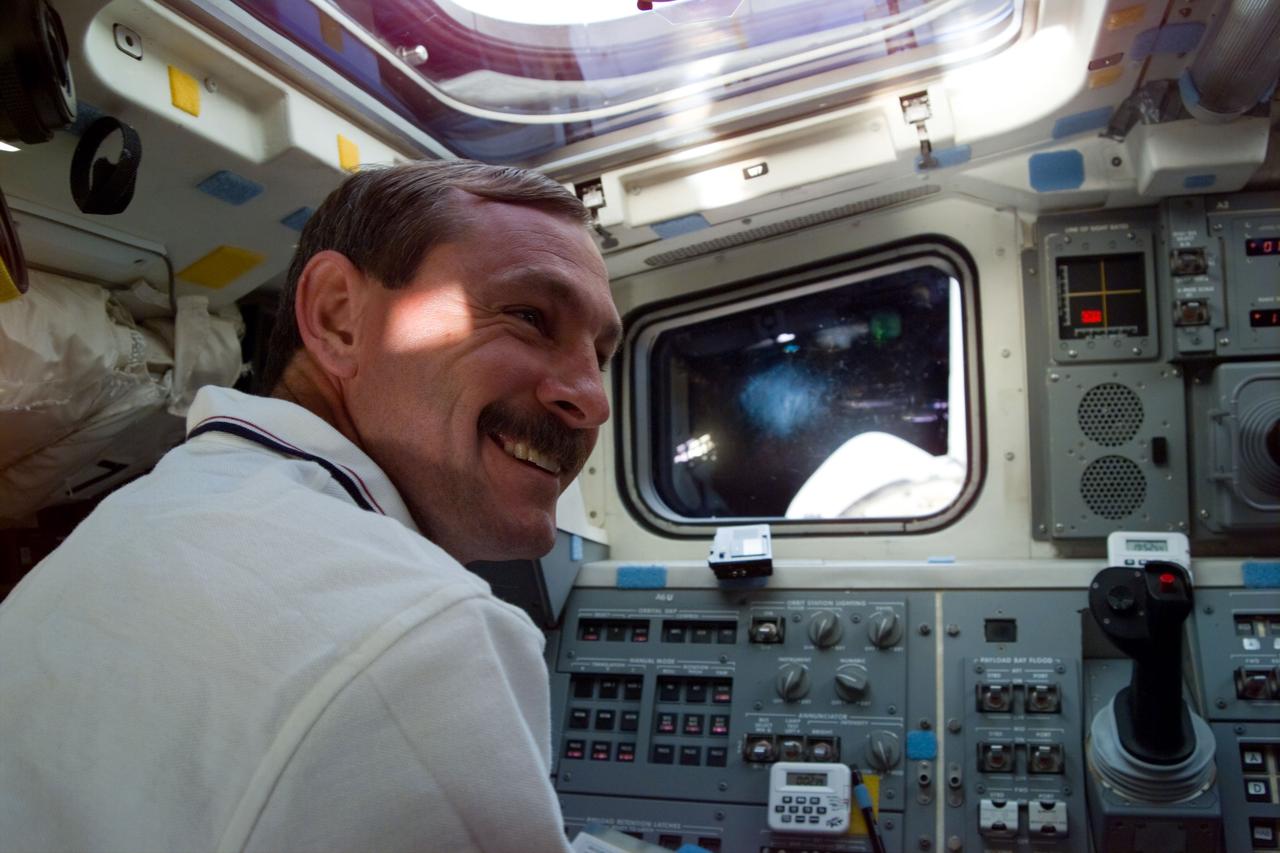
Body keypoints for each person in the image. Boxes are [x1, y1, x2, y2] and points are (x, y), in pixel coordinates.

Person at [0, 160, 622, 852]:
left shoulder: (130, 522)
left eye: (600, 354)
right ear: (338, 317)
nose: (591, 398)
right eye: (529, 317)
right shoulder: (425, 637)